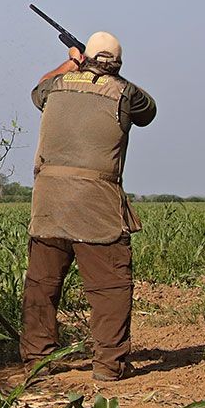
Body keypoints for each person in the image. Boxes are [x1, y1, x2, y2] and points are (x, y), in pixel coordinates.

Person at [21, 30, 156, 382]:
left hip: (48, 202)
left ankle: (38, 361)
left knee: (42, 284)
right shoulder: (125, 92)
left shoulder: (55, 86)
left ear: (83, 57)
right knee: (110, 288)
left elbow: (38, 89)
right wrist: (105, 72)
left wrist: (71, 63)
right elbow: (147, 111)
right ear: (118, 64)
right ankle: (109, 366)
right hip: (96, 206)